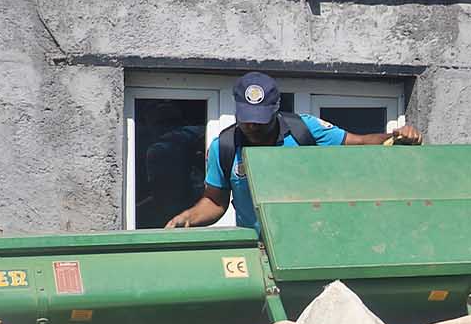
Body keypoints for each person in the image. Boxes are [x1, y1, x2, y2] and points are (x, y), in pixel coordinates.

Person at [165, 71, 423, 231]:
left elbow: (361, 143)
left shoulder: (305, 129)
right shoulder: (224, 146)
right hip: (258, 250)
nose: (253, 124)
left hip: (311, 244)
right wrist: (188, 218)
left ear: (276, 108)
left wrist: (397, 137)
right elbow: (214, 201)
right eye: (247, 117)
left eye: (260, 117)